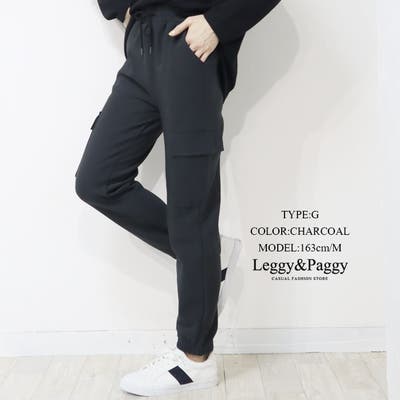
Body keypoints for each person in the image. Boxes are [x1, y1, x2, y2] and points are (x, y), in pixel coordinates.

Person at [74, 0, 281, 396]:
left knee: (191, 207)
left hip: (191, 49)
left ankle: (194, 360)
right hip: (142, 47)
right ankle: (212, 253)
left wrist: (217, 24)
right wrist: (123, 13)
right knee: (97, 180)